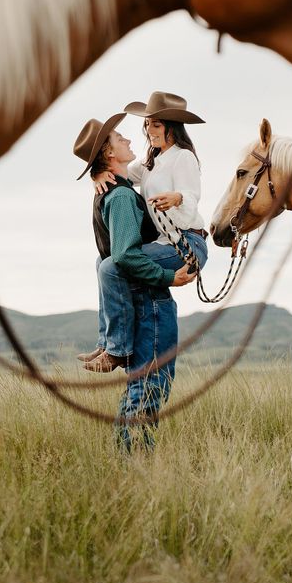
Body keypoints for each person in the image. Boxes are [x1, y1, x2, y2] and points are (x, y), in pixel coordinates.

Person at [73, 112, 195, 452]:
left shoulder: (113, 189)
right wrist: (169, 276)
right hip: (150, 302)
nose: (129, 140)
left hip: (136, 298)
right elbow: (123, 256)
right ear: (110, 154)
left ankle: (126, 455)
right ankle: (134, 457)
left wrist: (97, 171)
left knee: (141, 381)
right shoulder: (124, 197)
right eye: (119, 139)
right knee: (153, 381)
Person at [81, 91, 208, 372]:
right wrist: (96, 174)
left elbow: (191, 204)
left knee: (112, 267)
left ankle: (117, 351)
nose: (149, 131)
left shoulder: (183, 158)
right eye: (147, 125)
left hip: (187, 242)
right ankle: (107, 342)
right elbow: (118, 171)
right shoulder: (151, 161)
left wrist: (178, 198)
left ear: (171, 128)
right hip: (166, 242)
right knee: (102, 261)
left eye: (156, 125)